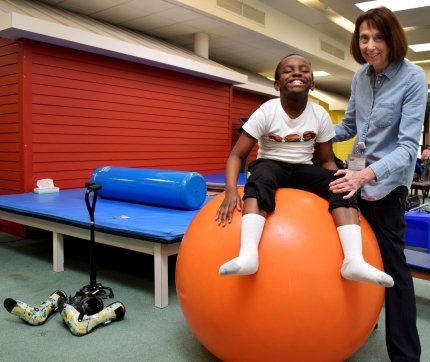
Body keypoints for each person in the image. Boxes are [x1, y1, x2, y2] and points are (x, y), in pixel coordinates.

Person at [214, 53, 393, 289]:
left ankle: (354, 261)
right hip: (271, 164)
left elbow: (327, 160)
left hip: (302, 169)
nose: (297, 73)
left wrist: (343, 195)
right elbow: (236, 155)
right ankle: (248, 254)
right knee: (262, 174)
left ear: (312, 83)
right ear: (277, 84)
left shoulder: (319, 114)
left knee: (340, 180)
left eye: (303, 70)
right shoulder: (267, 111)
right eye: (288, 70)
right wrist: (230, 192)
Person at [329, 7, 428, 362]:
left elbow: (406, 147)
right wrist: (308, 133)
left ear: (392, 39)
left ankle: (405, 356)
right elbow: (348, 127)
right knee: (357, 253)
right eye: (364, 38)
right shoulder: (360, 76)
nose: (370, 46)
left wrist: (366, 175)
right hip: (357, 176)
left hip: (388, 184)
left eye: (378, 38)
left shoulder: (413, 78)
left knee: (392, 267)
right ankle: (362, 322)